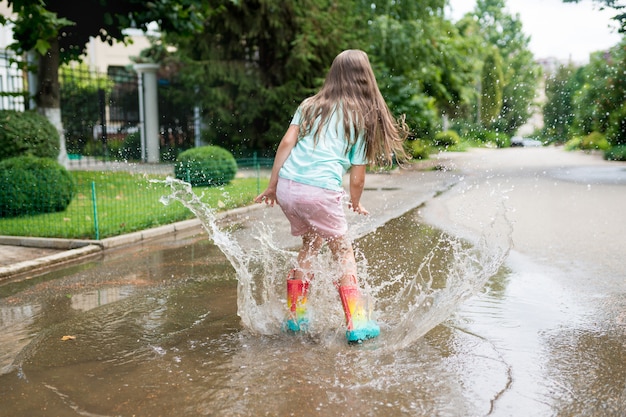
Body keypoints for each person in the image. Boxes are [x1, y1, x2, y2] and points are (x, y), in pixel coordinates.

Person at [254, 49, 409, 343]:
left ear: (333, 74)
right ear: (365, 78)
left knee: (311, 244)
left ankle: (296, 318)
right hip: (321, 190)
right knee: (343, 251)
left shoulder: (310, 105)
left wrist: (273, 185)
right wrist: (355, 200)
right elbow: (357, 174)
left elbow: (287, 143)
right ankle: (357, 323)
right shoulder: (360, 116)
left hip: (289, 185)